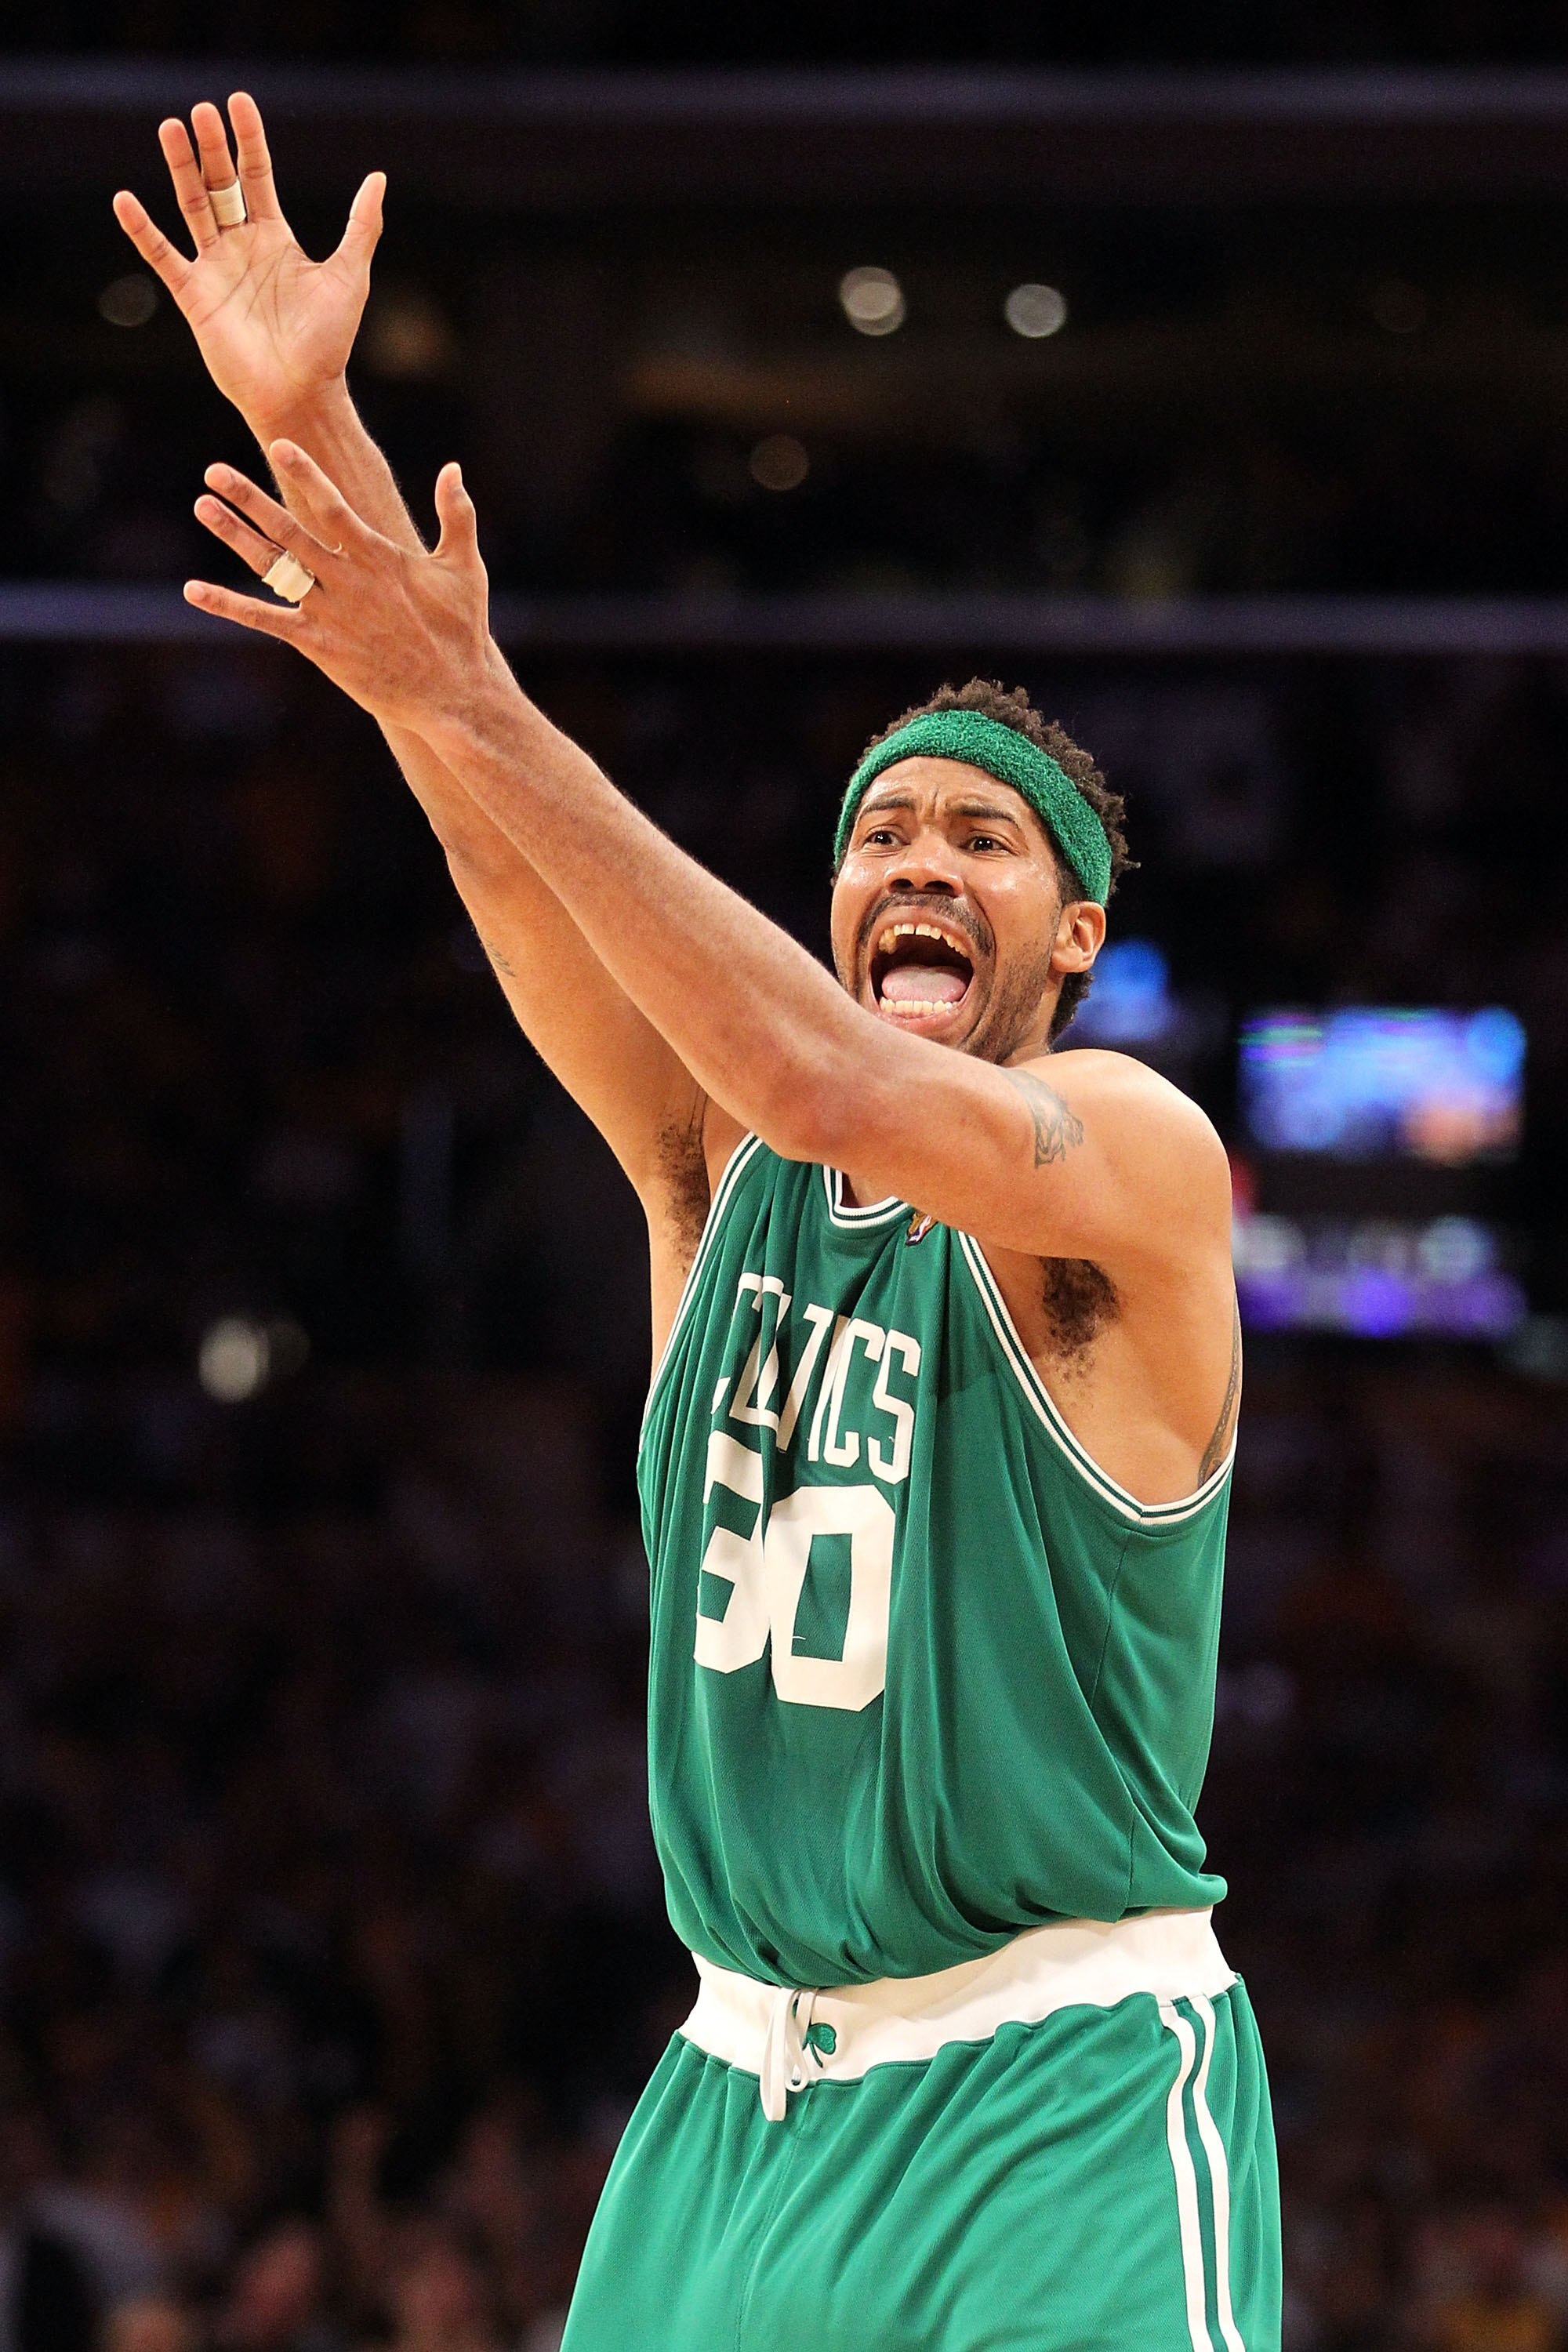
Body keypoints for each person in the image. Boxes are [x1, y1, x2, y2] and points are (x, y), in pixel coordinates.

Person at [115, 97, 1281, 2350]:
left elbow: (824, 1074)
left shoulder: (1127, 1164)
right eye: (882, 834)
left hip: (1052, 2092)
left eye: (983, 841)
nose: (921, 864)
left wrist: (476, 685)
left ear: (1074, 931)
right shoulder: (709, 1177)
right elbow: (494, 829)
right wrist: (318, 422)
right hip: (731, 2097)